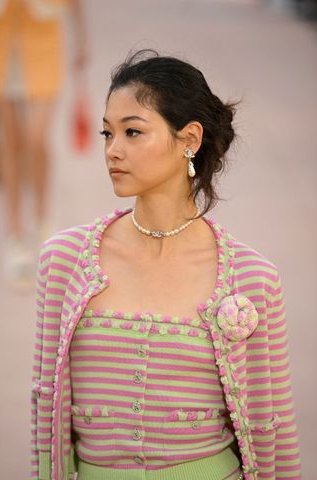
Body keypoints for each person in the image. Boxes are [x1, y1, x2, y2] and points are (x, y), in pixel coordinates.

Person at [30, 50, 301, 480]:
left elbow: (274, 430)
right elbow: (46, 411)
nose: (113, 151)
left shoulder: (252, 278)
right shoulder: (65, 259)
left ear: (189, 139)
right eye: (107, 134)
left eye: (133, 132)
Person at [0, 0, 87, 289]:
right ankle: (15, 234)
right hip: (1, 43)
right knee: (10, 144)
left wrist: (81, 38)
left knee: (35, 140)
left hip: (43, 44)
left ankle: (42, 220)